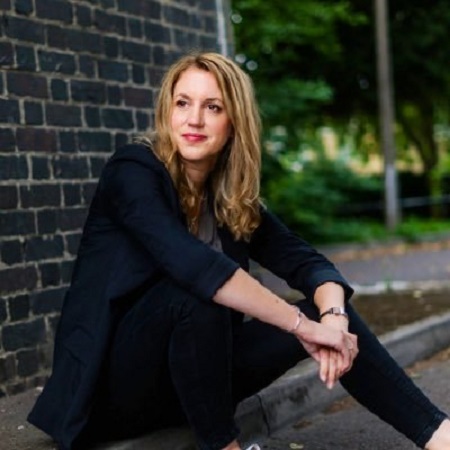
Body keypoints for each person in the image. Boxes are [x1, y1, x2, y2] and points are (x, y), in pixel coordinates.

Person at [28, 51, 450, 450]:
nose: (194, 119)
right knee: (197, 295)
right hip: (111, 393)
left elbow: (309, 263)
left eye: (213, 107)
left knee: (330, 314)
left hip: (195, 382)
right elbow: (194, 266)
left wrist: (334, 320)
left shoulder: (230, 200)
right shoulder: (133, 171)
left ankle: (438, 434)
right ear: (167, 111)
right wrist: (303, 327)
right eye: (182, 103)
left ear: (234, 121)